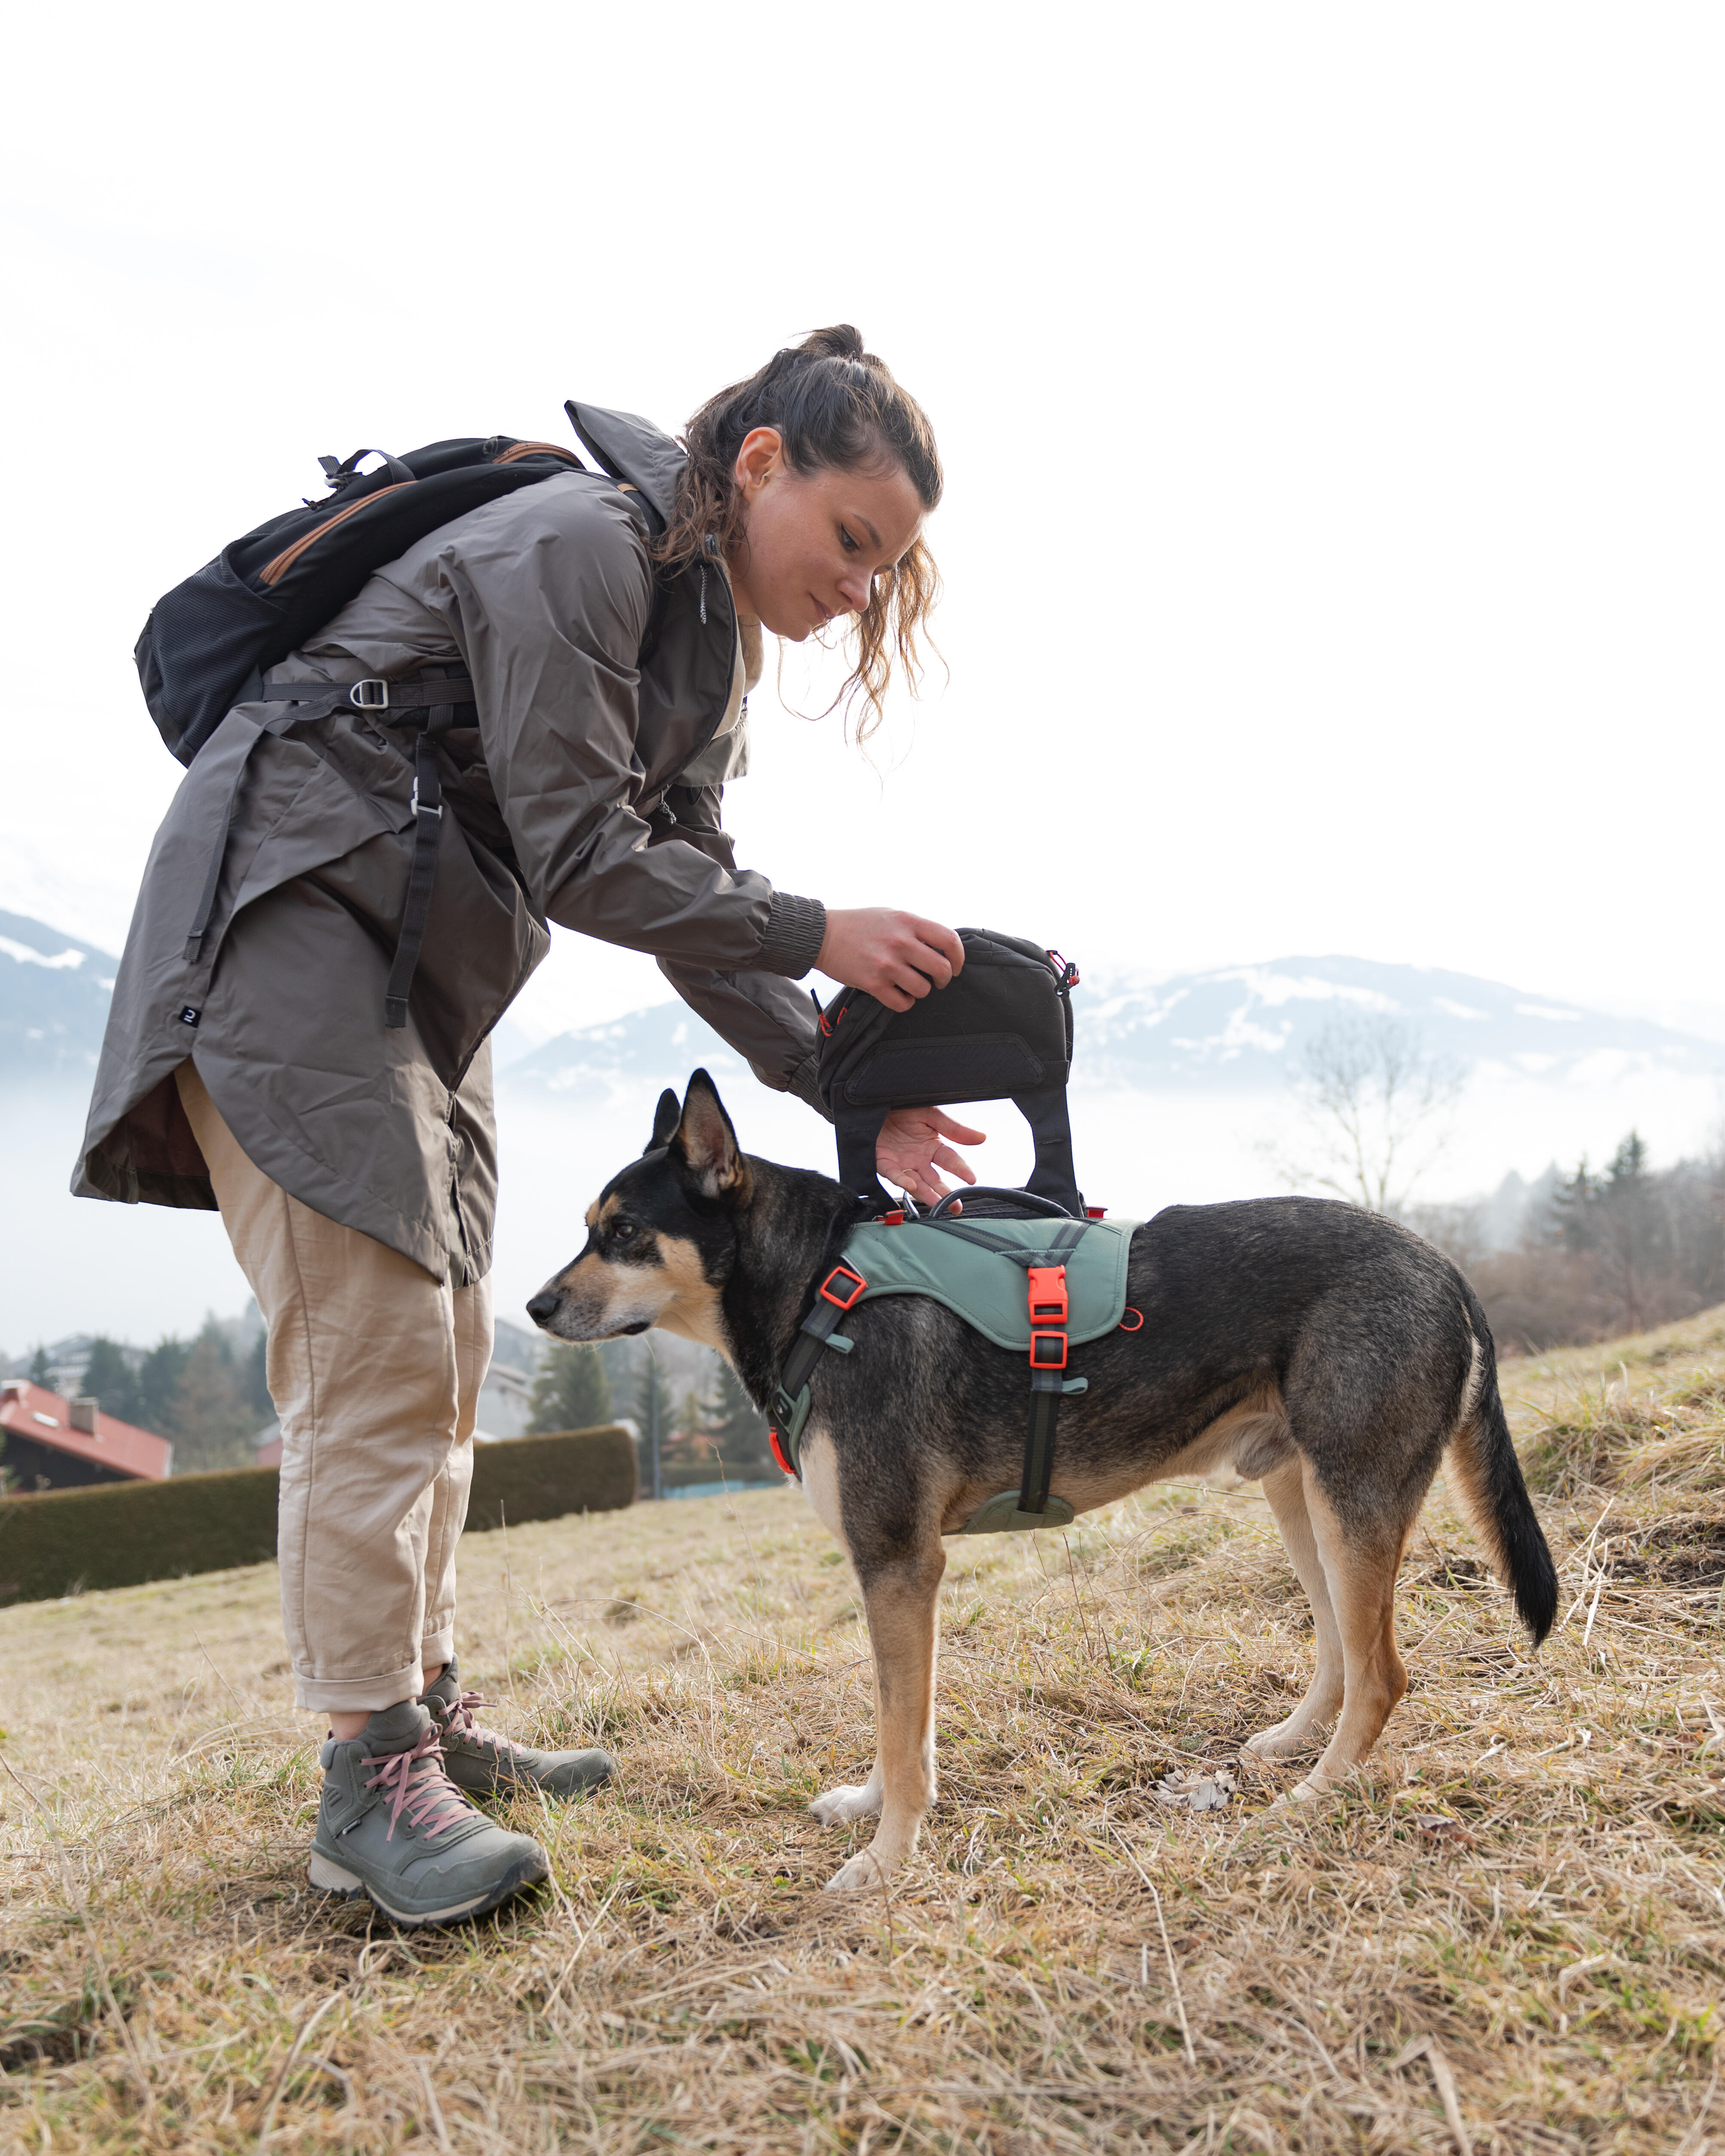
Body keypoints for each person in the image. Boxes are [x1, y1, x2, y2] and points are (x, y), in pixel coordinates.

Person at [73, 326, 984, 1927]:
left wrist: (849, 1093)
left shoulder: (707, 641)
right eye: (850, 540)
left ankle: (419, 1711)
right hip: (294, 931)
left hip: (420, 976)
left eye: (885, 565)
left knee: (453, 1349)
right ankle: (369, 1785)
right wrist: (826, 928)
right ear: (761, 461)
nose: (859, 589)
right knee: (375, 1352)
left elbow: (699, 908)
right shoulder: (574, 545)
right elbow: (581, 851)